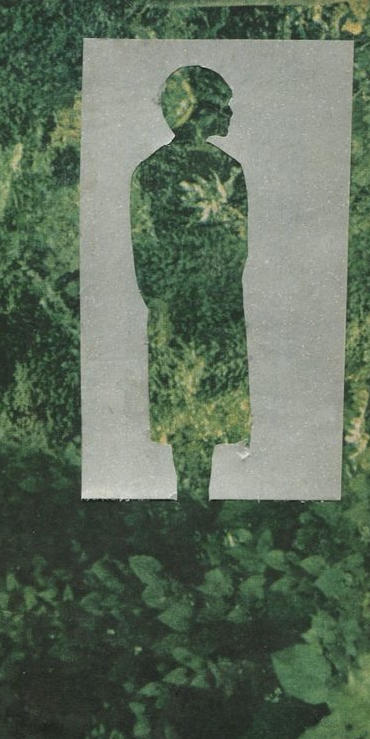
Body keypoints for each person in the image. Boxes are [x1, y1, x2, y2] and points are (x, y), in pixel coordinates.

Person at [130, 66, 251, 496]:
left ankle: (194, 490)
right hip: (205, 296)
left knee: (189, 390)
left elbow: (144, 243)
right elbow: (238, 240)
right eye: (223, 107)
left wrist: (160, 296)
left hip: (188, 295)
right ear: (202, 111)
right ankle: (194, 493)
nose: (230, 115)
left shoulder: (152, 168)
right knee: (199, 390)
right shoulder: (225, 168)